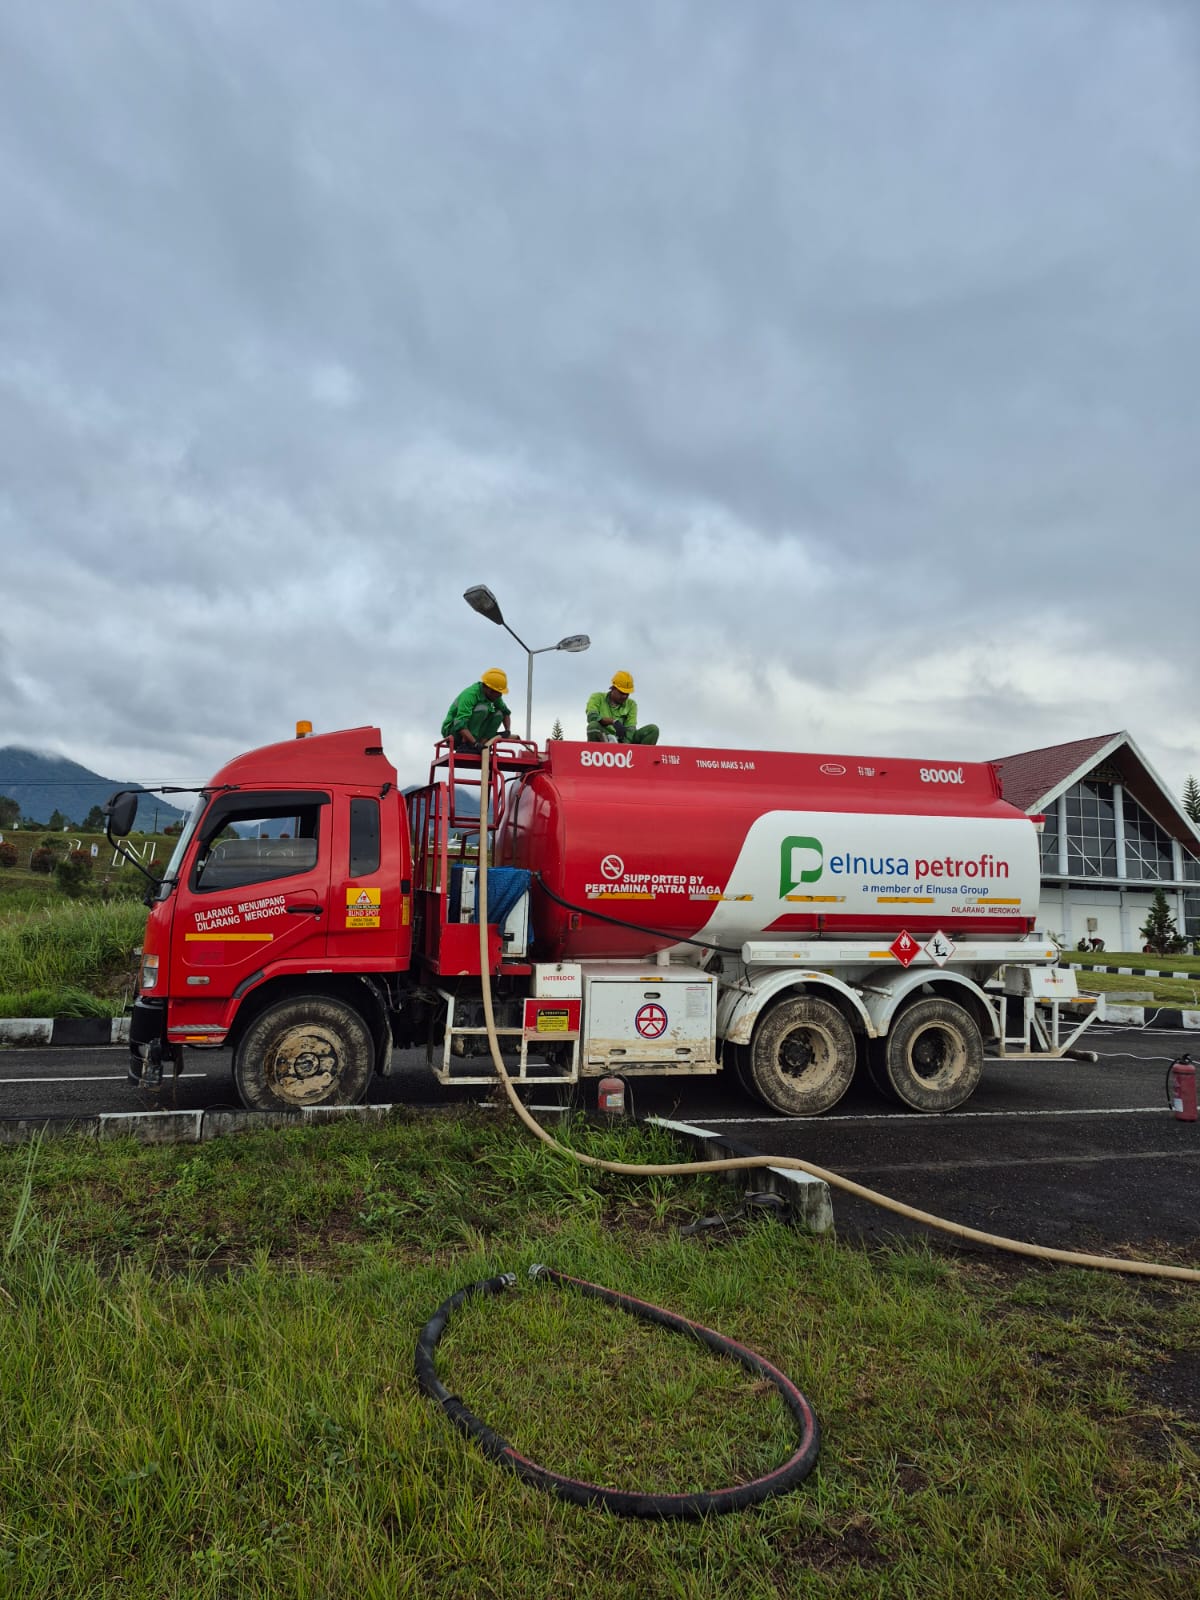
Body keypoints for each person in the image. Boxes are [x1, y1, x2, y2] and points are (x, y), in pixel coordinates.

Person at [442, 669, 513, 750]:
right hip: (454, 733)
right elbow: (459, 724)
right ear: (488, 689)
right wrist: (475, 743)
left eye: (501, 693)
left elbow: (505, 712)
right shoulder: (470, 695)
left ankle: (483, 745)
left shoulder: (495, 695)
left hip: (475, 735)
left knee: (499, 713)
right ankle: (467, 744)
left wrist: (507, 730)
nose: (500, 695)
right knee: (482, 708)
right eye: (498, 692)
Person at [585, 671, 659, 744]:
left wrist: (623, 745)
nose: (624, 696)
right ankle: (598, 749)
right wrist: (613, 721)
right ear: (613, 688)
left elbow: (631, 729)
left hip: (624, 741)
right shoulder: (597, 697)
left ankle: (639, 752)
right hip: (603, 737)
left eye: (627, 693)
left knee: (653, 730)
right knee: (593, 726)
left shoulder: (631, 704)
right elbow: (592, 717)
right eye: (621, 692)